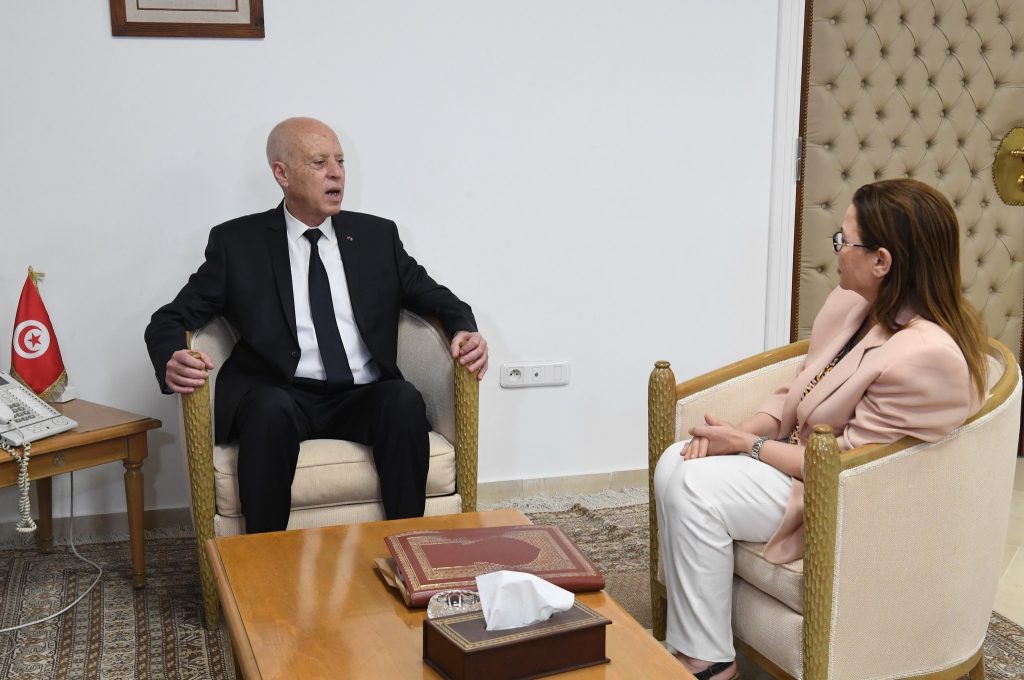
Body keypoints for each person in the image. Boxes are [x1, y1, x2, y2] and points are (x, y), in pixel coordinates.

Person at [653, 178, 988, 680]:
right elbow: (796, 389)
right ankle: (704, 650)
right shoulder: (852, 304)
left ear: (882, 261)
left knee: (694, 486)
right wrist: (738, 431)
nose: (836, 250)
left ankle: (709, 663)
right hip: (794, 460)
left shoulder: (926, 356)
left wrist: (746, 444)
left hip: (838, 495)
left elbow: (847, 466)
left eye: (843, 240)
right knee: (679, 460)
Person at [145, 117, 488, 534]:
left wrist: (463, 328)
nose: (336, 173)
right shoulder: (238, 244)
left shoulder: (376, 236)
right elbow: (170, 318)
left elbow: (437, 298)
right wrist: (172, 357)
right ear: (282, 174)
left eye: (340, 161)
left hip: (361, 395)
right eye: (319, 162)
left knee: (402, 400)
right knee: (267, 410)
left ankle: (407, 548)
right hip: (281, 393)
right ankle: (265, 558)